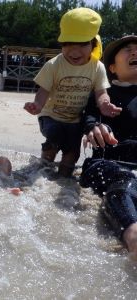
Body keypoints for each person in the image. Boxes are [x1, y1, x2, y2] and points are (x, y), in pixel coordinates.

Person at [24, 7, 121, 177]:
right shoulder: (54, 65)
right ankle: (41, 173)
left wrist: (104, 103)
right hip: (50, 116)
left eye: (82, 44)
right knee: (54, 138)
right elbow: (43, 90)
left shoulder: (97, 68)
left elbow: (101, 92)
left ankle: (63, 179)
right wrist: (37, 105)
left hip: (75, 119)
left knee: (72, 152)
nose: (74, 51)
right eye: (68, 44)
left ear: (93, 44)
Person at [80, 35, 137, 260]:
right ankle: (132, 237)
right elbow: (89, 118)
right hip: (107, 163)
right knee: (123, 185)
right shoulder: (103, 95)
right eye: (128, 50)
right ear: (111, 67)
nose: (135, 53)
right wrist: (93, 128)